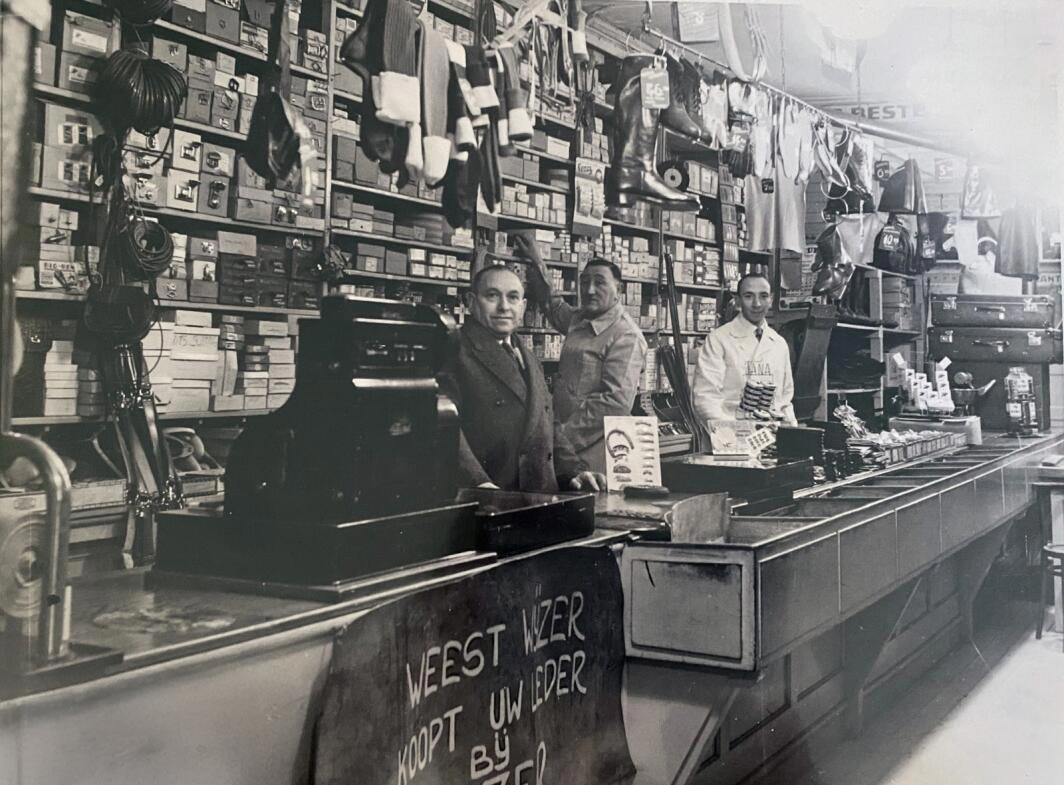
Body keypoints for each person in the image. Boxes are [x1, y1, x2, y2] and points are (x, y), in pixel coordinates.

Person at [437, 264, 604, 492]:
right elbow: (445, 427)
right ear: (471, 301)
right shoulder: (453, 351)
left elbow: (548, 424)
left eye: (513, 297)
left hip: (538, 497)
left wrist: (574, 470)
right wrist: (478, 482)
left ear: (523, 306)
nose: (504, 307)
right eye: (492, 296)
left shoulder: (527, 356)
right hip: (491, 497)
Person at [516, 236, 648, 474]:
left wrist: (559, 440)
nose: (589, 290)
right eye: (584, 282)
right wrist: (537, 262)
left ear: (619, 289)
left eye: (600, 283)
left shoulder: (626, 336)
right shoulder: (580, 319)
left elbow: (614, 403)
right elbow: (554, 306)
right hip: (563, 447)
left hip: (594, 450)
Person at [692, 272, 797, 426]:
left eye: (763, 296)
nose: (757, 304)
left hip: (771, 436)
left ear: (771, 299)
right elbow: (705, 399)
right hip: (730, 434)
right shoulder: (718, 339)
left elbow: (785, 399)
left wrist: (793, 430)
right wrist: (732, 432)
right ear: (737, 301)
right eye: (749, 296)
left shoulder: (779, 343)